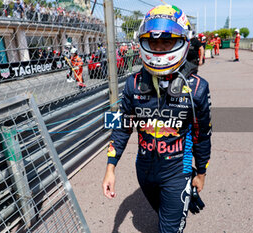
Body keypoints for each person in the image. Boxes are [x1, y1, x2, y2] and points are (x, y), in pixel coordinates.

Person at [102, 4, 212, 233]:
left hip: (178, 168)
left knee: (169, 228)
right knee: (162, 213)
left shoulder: (198, 88)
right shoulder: (132, 84)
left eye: (167, 42)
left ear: (182, 41)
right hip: (144, 169)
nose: (160, 48)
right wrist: (110, 168)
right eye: (154, 43)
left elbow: (203, 136)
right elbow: (122, 128)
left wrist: (201, 173)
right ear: (144, 43)